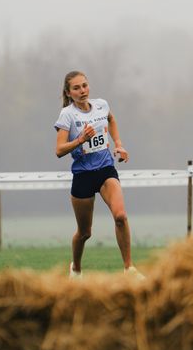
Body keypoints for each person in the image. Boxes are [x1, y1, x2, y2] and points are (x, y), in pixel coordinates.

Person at [54, 70, 144, 280]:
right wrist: (80, 140)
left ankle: (129, 269)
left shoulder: (102, 105)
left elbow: (111, 120)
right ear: (69, 92)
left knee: (121, 217)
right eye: (76, 88)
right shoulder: (67, 115)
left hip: (105, 171)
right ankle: (75, 268)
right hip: (83, 175)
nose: (82, 90)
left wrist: (119, 145)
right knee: (85, 233)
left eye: (84, 85)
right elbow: (59, 150)